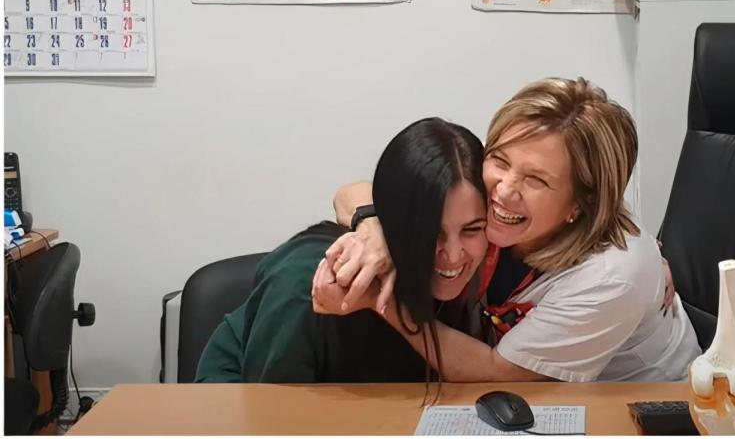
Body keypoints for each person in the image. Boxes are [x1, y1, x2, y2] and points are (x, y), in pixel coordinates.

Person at [313, 77, 701, 383]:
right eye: (500, 160)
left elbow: (496, 371)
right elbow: (350, 193)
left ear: (581, 204)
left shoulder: (610, 278)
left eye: (536, 180)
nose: (504, 190)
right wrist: (375, 230)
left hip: (639, 405)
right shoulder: (493, 194)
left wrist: (382, 300)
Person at [193, 118, 489, 384]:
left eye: (472, 229)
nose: (453, 255)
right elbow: (270, 411)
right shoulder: (309, 281)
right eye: (432, 233)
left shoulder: (482, 270)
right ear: (395, 220)